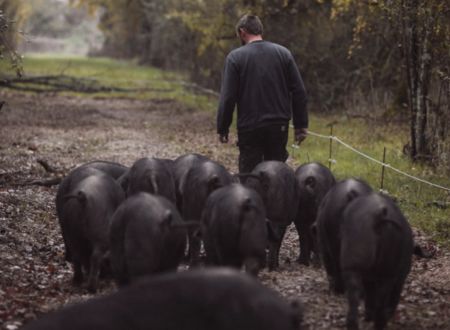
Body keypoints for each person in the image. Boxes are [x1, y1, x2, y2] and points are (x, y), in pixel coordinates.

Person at [216, 14, 308, 173]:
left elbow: (228, 97)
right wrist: (300, 125)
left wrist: (223, 127)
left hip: (250, 126)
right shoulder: (283, 53)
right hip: (278, 125)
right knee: (277, 175)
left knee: (249, 175)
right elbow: (299, 91)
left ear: (242, 32)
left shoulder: (235, 57)